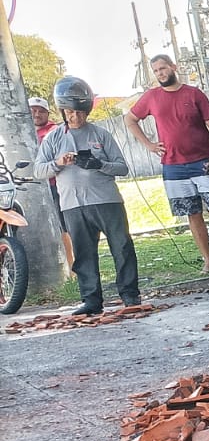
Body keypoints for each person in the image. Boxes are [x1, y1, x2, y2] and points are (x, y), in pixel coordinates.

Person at [124, 54, 209, 273]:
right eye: (156, 70)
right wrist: (149, 144)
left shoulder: (194, 94)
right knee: (192, 214)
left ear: (173, 67)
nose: (160, 73)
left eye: (163, 68)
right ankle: (208, 261)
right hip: (173, 166)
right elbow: (129, 119)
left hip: (204, 161)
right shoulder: (151, 97)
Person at [34, 77, 139, 317]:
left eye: (80, 112)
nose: (75, 117)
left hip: (106, 200)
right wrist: (58, 163)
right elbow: (39, 170)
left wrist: (99, 164)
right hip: (73, 204)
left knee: (122, 246)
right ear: (63, 111)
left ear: (87, 111)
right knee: (83, 253)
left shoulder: (101, 134)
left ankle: (130, 295)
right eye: (70, 112)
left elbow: (122, 167)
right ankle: (91, 299)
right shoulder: (53, 138)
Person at [29, 95, 74, 268]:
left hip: (55, 185)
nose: (37, 114)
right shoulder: (22, 133)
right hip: (31, 188)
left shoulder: (55, 131)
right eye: (33, 111)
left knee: (64, 226)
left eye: (41, 111)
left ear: (48, 114)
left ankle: (72, 265)